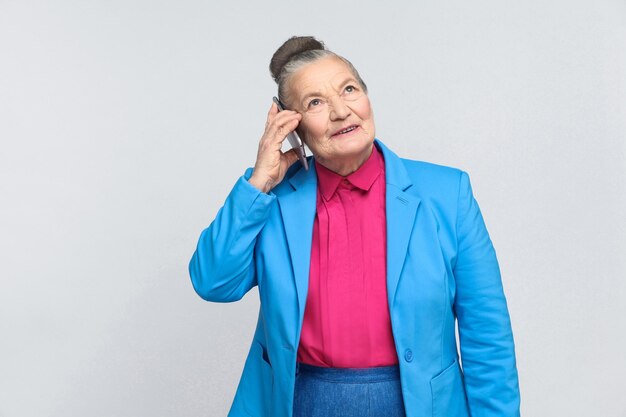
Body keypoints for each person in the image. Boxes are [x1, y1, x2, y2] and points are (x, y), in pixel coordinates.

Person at [188, 36, 520, 417]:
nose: (341, 111)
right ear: (292, 126)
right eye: (315, 103)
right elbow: (213, 283)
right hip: (302, 403)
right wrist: (258, 183)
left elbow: (488, 337)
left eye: (349, 90)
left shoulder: (447, 193)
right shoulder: (272, 201)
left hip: (419, 406)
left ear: (366, 97)